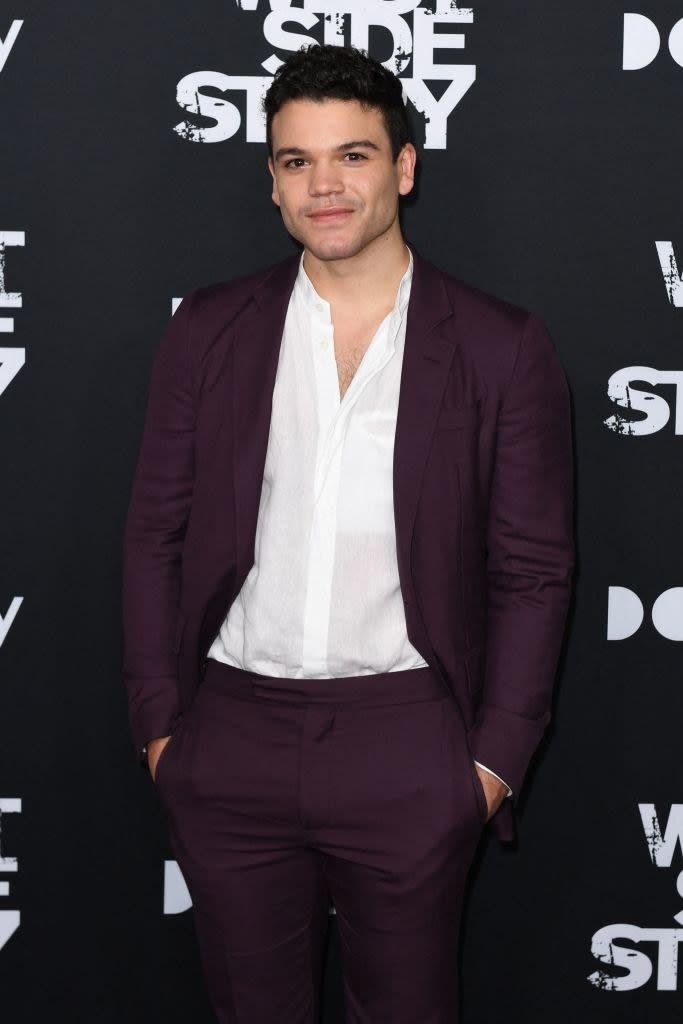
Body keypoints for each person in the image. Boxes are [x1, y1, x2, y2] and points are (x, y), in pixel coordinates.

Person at [122, 43, 573, 1024]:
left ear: (403, 166)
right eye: (295, 161)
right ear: (274, 183)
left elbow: (532, 572)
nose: (324, 184)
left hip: (409, 742)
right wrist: (164, 729)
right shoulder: (207, 328)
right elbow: (155, 533)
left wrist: (489, 764)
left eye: (352, 155)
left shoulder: (499, 346)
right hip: (228, 737)